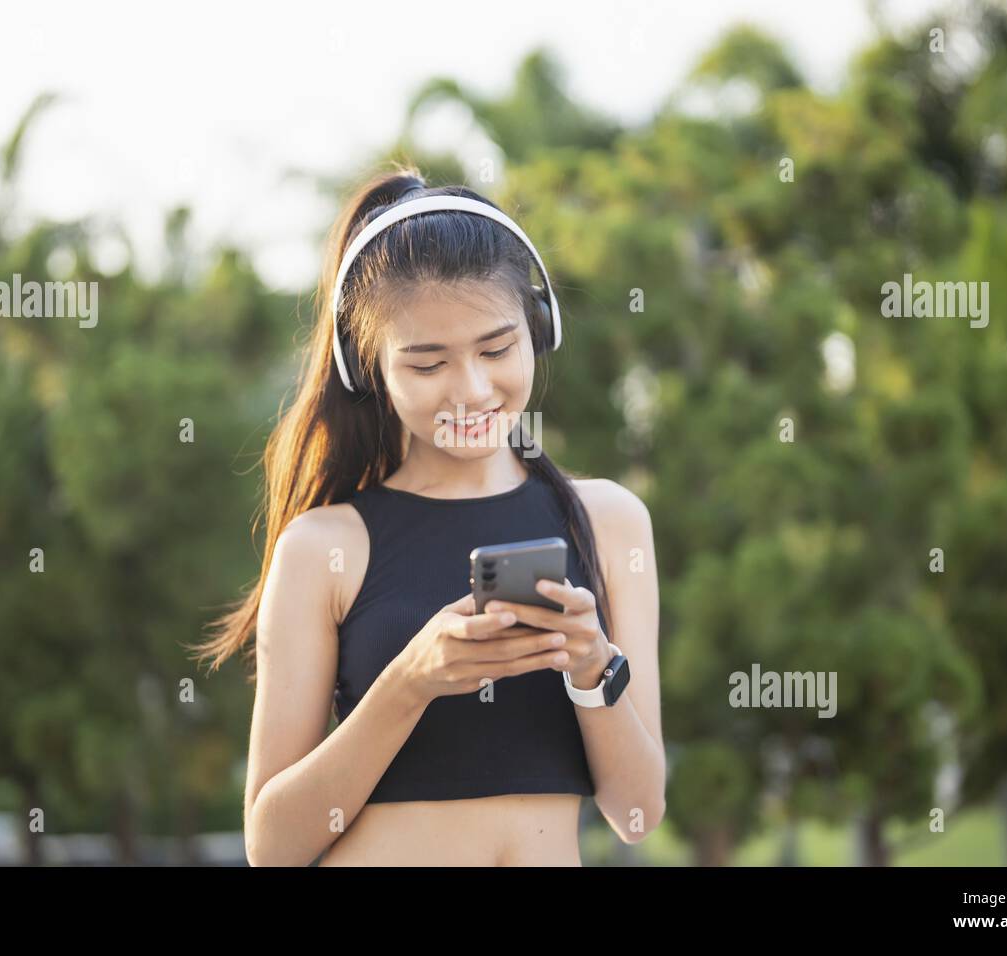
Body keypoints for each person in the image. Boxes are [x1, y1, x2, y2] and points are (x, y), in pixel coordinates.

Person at [195, 165, 665, 866]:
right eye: (427, 364)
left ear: (538, 329)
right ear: (369, 367)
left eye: (497, 348)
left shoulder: (610, 522)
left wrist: (594, 665)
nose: (471, 388)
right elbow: (273, 848)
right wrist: (412, 681)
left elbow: (636, 813)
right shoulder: (326, 548)